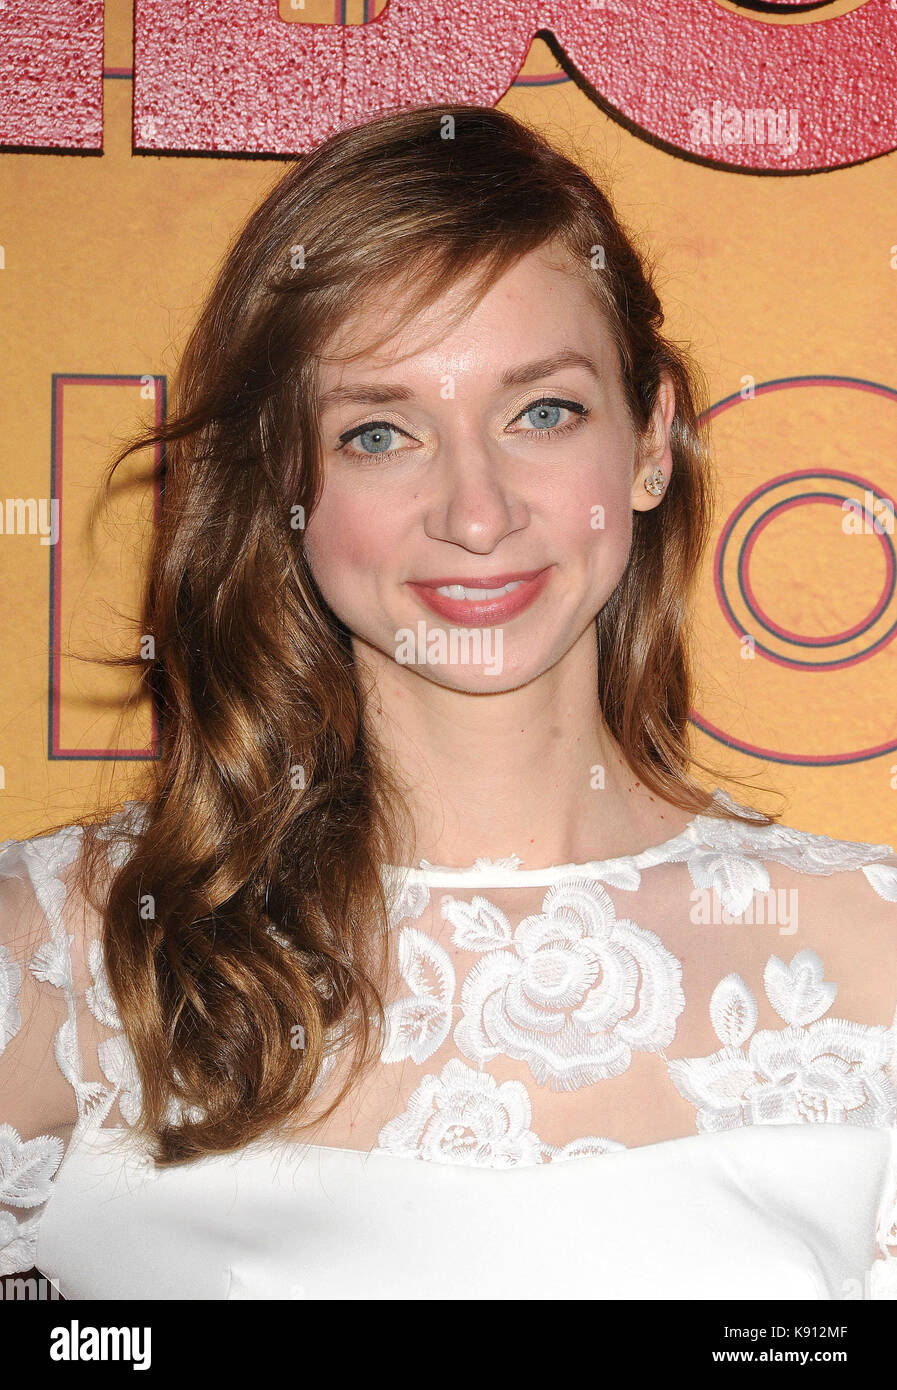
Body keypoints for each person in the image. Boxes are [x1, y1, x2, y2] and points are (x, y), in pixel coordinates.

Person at [1, 103, 895, 1300]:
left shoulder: (869, 957)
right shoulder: (60, 959)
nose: (477, 513)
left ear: (650, 442)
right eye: (380, 431)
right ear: (285, 484)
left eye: (542, 412)